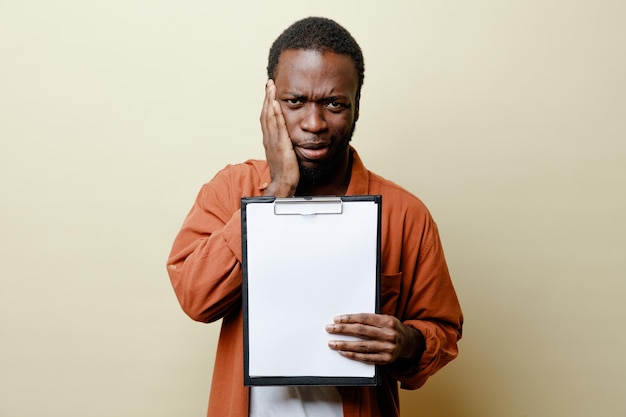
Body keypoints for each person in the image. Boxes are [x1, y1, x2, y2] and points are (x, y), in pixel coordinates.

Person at [167, 16, 463, 417]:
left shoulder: (406, 214)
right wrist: (278, 191)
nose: (313, 123)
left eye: (334, 104)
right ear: (270, 101)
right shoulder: (229, 189)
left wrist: (407, 342)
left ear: (357, 105)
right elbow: (196, 298)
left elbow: (442, 331)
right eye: (295, 102)